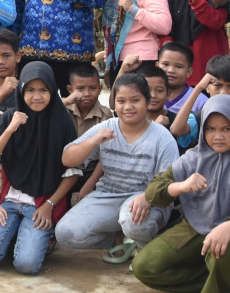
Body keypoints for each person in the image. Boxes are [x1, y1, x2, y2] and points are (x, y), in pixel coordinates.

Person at [131, 95, 230, 293]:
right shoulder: (193, 157)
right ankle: (219, 283)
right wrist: (181, 186)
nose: (218, 136)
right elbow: (154, 191)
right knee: (144, 266)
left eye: (227, 129)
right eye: (211, 129)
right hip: (195, 227)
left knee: (222, 249)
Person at [57, 73, 178, 264]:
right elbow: (68, 159)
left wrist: (147, 197)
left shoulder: (162, 137)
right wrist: (94, 141)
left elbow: (169, 182)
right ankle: (118, 238)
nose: (128, 107)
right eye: (121, 101)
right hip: (108, 196)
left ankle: (145, 246)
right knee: (65, 233)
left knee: (132, 221)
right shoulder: (106, 127)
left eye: (135, 100)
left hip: (148, 200)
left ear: (147, 101)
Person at [0, 62, 81, 275]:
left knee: (27, 265)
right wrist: (10, 130)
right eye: (30, 90)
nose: (37, 96)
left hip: (41, 203)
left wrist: (50, 205)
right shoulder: (9, 117)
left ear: (52, 89)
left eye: (43, 90)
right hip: (8, 199)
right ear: (21, 89)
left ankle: (39, 238)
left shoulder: (63, 123)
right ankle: (19, 236)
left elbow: (73, 173)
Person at [63, 64, 110, 137]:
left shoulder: (105, 115)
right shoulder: (63, 107)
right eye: (80, 88)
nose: (87, 94)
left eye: (92, 88)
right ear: (70, 90)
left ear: (100, 89)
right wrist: (67, 101)